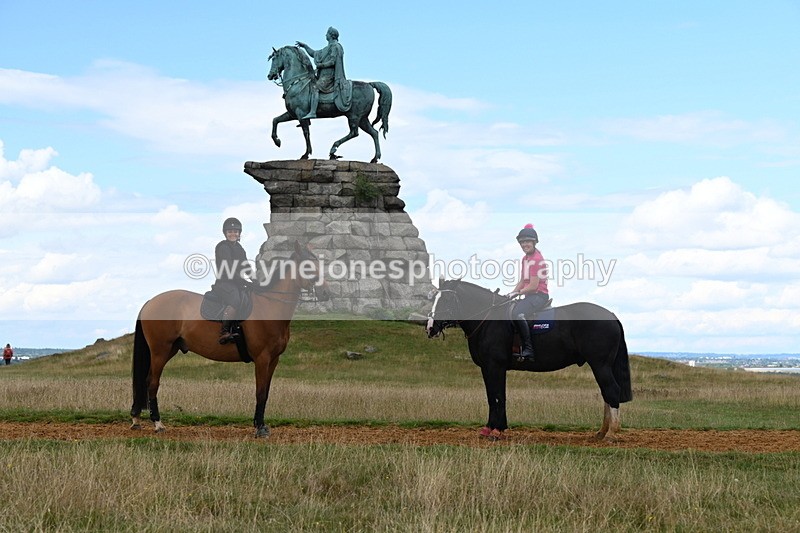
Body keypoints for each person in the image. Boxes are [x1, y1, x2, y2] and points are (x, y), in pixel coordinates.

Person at [505, 224, 550, 361]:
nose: (525, 244)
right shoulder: (525, 259)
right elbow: (522, 281)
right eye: (522, 242)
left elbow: (533, 285)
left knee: (518, 313)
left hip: (538, 295)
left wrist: (518, 293)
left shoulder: (536, 259)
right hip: (529, 294)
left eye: (527, 241)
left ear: (534, 242)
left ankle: (529, 349)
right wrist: (511, 293)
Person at [295, 26, 351, 119]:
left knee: (315, 87)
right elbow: (314, 53)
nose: (325, 35)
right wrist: (305, 46)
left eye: (327, 33)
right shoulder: (327, 48)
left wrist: (321, 65)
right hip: (323, 75)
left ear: (331, 35)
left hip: (329, 76)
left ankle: (313, 112)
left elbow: (333, 61)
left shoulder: (335, 46)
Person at [213, 218, 253, 345]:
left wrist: (256, 281)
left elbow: (246, 266)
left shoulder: (240, 248)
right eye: (230, 231)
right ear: (225, 233)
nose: (233, 234)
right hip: (224, 283)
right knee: (235, 299)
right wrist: (244, 282)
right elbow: (229, 268)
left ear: (239, 233)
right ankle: (224, 332)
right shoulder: (222, 247)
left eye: (235, 231)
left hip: (236, 283)